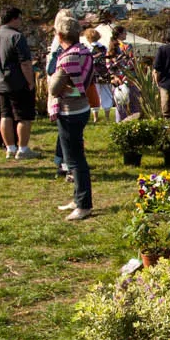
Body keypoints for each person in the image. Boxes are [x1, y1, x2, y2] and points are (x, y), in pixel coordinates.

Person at [46, 11, 96, 221]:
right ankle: (77, 198)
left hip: (70, 111)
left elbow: (55, 88)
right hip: (82, 107)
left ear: (59, 36)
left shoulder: (66, 57)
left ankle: (84, 204)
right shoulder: (84, 51)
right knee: (75, 158)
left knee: (75, 160)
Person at [0, 7, 39, 160]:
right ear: (14, 19)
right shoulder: (17, 36)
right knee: (23, 116)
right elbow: (25, 63)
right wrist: (30, 81)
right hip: (17, 81)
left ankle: (10, 147)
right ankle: (23, 149)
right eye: (19, 19)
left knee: (5, 114)